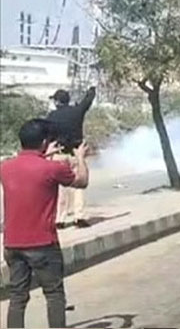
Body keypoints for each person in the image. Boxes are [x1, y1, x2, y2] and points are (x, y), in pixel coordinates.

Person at [1, 119, 90, 328]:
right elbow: (82, 181)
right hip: (42, 243)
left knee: (17, 297)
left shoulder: (5, 168)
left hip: (12, 244)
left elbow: (28, 171)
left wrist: (44, 154)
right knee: (54, 294)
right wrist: (80, 157)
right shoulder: (53, 168)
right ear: (44, 142)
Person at [47, 86, 95, 228]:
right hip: (76, 153)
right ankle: (79, 217)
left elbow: (47, 135)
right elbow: (87, 102)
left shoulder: (52, 116)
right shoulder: (77, 111)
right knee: (79, 185)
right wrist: (91, 90)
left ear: (57, 102)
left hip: (59, 154)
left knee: (61, 187)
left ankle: (60, 219)